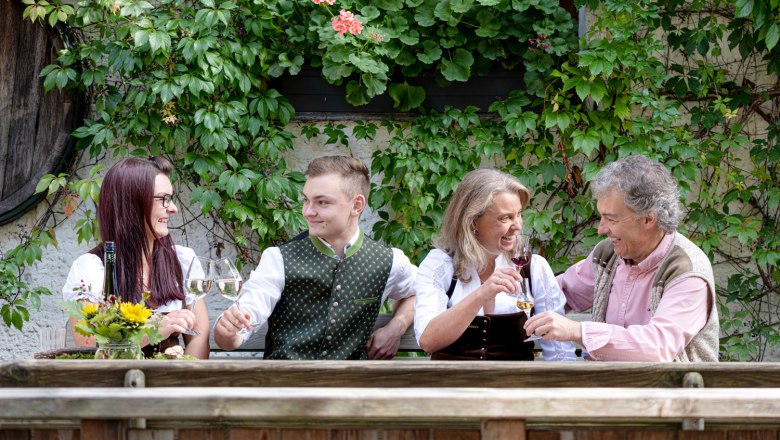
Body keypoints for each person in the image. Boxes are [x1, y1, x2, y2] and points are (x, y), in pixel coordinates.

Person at [213, 155, 417, 360]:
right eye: (306, 200)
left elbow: (420, 293)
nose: (308, 212)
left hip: (351, 387)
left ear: (357, 205)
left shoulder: (389, 262)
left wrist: (396, 327)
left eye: (322, 202)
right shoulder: (279, 259)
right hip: (285, 386)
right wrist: (228, 332)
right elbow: (236, 332)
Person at [524, 154, 719, 362]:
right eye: (601, 216)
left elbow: (658, 347)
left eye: (611, 219)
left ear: (648, 219)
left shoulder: (686, 270)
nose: (601, 229)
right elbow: (556, 294)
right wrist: (498, 293)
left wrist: (579, 331)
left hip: (672, 391)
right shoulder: (608, 254)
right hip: (610, 389)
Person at [414, 168, 577, 361]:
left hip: (514, 387)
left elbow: (559, 351)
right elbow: (427, 340)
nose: (518, 225)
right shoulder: (440, 265)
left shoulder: (533, 268)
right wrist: (482, 294)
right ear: (473, 221)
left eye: (519, 214)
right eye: (505, 217)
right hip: (452, 386)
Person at [62, 157, 210, 359]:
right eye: (163, 199)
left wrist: (185, 382)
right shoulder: (91, 269)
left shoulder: (183, 260)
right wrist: (156, 328)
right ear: (132, 204)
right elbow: (90, 347)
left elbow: (199, 340)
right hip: (115, 387)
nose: (173, 208)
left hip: (172, 386)